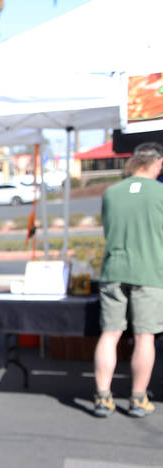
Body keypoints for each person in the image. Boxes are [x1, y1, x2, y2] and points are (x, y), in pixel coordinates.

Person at [92, 141, 163, 418]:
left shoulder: (111, 193)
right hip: (149, 272)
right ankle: (137, 398)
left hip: (114, 270)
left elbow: (108, 229)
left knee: (109, 334)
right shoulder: (159, 192)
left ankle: (102, 397)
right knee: (144, 337)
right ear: (156, 163)